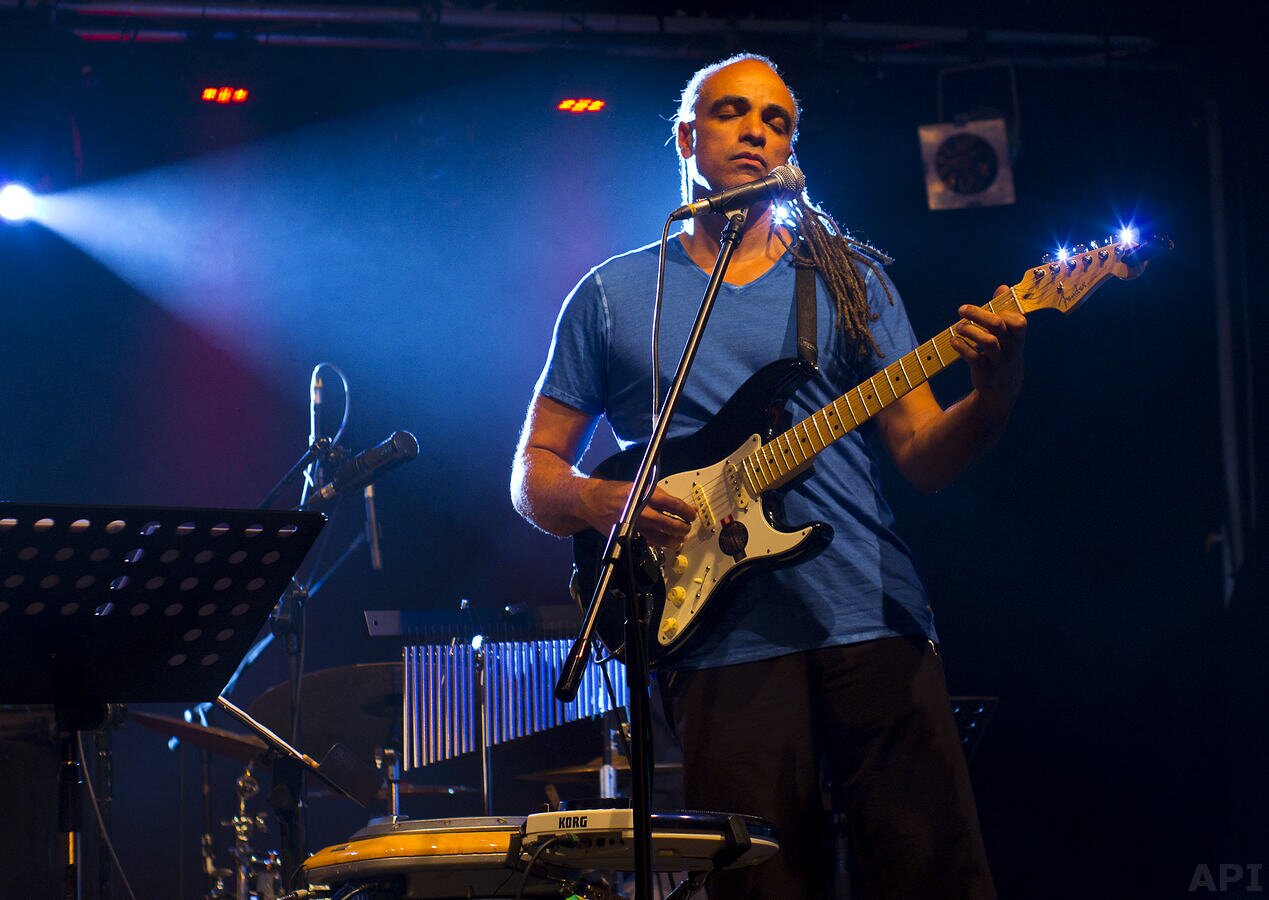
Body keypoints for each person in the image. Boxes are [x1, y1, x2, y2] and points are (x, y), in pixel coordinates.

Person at [510, 53, 1024, 898]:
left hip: (869, 614)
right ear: (686, 137)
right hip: (715, 634)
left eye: (776, 120)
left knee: (931, 871)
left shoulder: (847, 278)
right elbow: (533, 475)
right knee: (760, 886)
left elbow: (923, 456)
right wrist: (602, 501)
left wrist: (993, 394)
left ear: (790, 148)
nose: (755, 130)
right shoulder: (612, 294)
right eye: (732, 112)